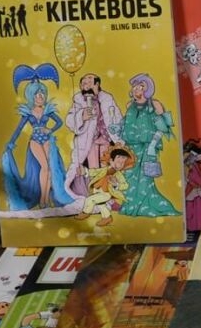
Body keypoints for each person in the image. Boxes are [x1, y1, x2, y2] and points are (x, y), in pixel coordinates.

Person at [3, 64, 73, 211]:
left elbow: (59, 122)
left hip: (47, 140)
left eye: (42, 94)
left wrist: (49, 129)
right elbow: (19, 128)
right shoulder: (28, 112)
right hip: (35, 141)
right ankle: (42, 200)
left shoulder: (48, 110)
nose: (40, 97)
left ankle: (45, 199)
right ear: (31, 96)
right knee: (45, 167)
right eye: (37, 94)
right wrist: (11, 142)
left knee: (49, 169)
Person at [114, 74, 181, 218]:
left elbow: (165, 126)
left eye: (140, 87)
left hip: (148, 147)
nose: (136, 89)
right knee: (129, 176)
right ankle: (130, 205)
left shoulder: (155, 104)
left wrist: (153, 144)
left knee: (145, 176)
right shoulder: (129, 105)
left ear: (147, 89)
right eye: (135, 87)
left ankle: (144, 206)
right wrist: (120, 137)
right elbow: (126, 126)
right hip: (131, 147)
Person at [65, 73, 123, 197]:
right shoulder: (79, 101)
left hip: (106, 138)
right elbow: (70, 121)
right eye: (83, 83)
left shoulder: (107, 99)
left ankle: (107, 192)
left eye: (89, 83)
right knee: (93, 167)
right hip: (89, 141)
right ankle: (95, 193)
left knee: (106, 166)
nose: (86, 86)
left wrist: (118, 137)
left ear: (97, 85)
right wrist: (81, 116)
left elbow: (117, 117)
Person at [74, 146, 133, 227]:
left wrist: (116, 184)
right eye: (118, 162)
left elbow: (125, 185)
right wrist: (85, 171)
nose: (119, 165)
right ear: (111, 161)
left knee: (90, 200)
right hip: (97, 190)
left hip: (106, 193)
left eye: (122, 164)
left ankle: (85, 212)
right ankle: (107, 218)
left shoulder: (119, 175)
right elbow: (94, 171)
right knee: (101, 205)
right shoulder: (104, 169)